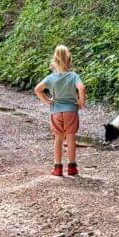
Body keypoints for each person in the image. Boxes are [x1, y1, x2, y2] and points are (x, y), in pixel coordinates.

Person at [34, 45, 86, 177]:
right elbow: (82, 87)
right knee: (71, 138)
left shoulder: (51, 78)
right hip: (71, 111)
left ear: (54, 61)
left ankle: (57, 168)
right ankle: (72, 167)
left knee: (58, 138)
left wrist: (47, 101)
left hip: (56, 111)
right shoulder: (73, 76)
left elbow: (37, 89)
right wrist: (81, 102)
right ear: (69, 61)